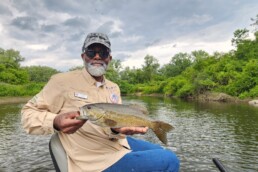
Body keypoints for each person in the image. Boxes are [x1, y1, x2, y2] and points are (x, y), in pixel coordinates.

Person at [21, 32, 180, 172]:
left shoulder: (113, 87)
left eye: (103, 52)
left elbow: (114, 126)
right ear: (83, 56)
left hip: (116, 144)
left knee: (159, 149)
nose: (97, 56)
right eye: (91, 51)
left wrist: (117, 130)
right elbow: (28, 114)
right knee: (169, 160)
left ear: (109, 58)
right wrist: (54, 121)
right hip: (93, 160)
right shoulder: (61, 82)